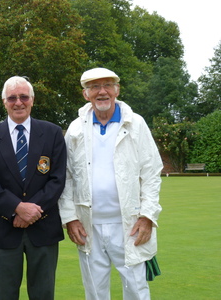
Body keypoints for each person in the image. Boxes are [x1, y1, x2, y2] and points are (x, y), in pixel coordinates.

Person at [58, 67, 163, 300]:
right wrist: (70, 218)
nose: (101, 92)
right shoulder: (75, 129)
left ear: (117, 90)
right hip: (89, 227)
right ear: (86, 94)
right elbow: (66, 177)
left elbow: (152, 172)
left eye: (107, 85)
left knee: (136, 291)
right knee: (94, 293)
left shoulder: (135, 124)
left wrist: (147, 216)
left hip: (130, 226)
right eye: (94, 87)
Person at [0, 76, 67, 300]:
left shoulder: (53, 133)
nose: (19, 102)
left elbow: (57, 179)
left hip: (44, 228)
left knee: (43, 294)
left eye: (24, 97)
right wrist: (17, 208)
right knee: (5, 295)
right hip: (3, 229)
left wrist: (32, 212)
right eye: (12, 98)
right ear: (4, 102)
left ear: (32, 100)